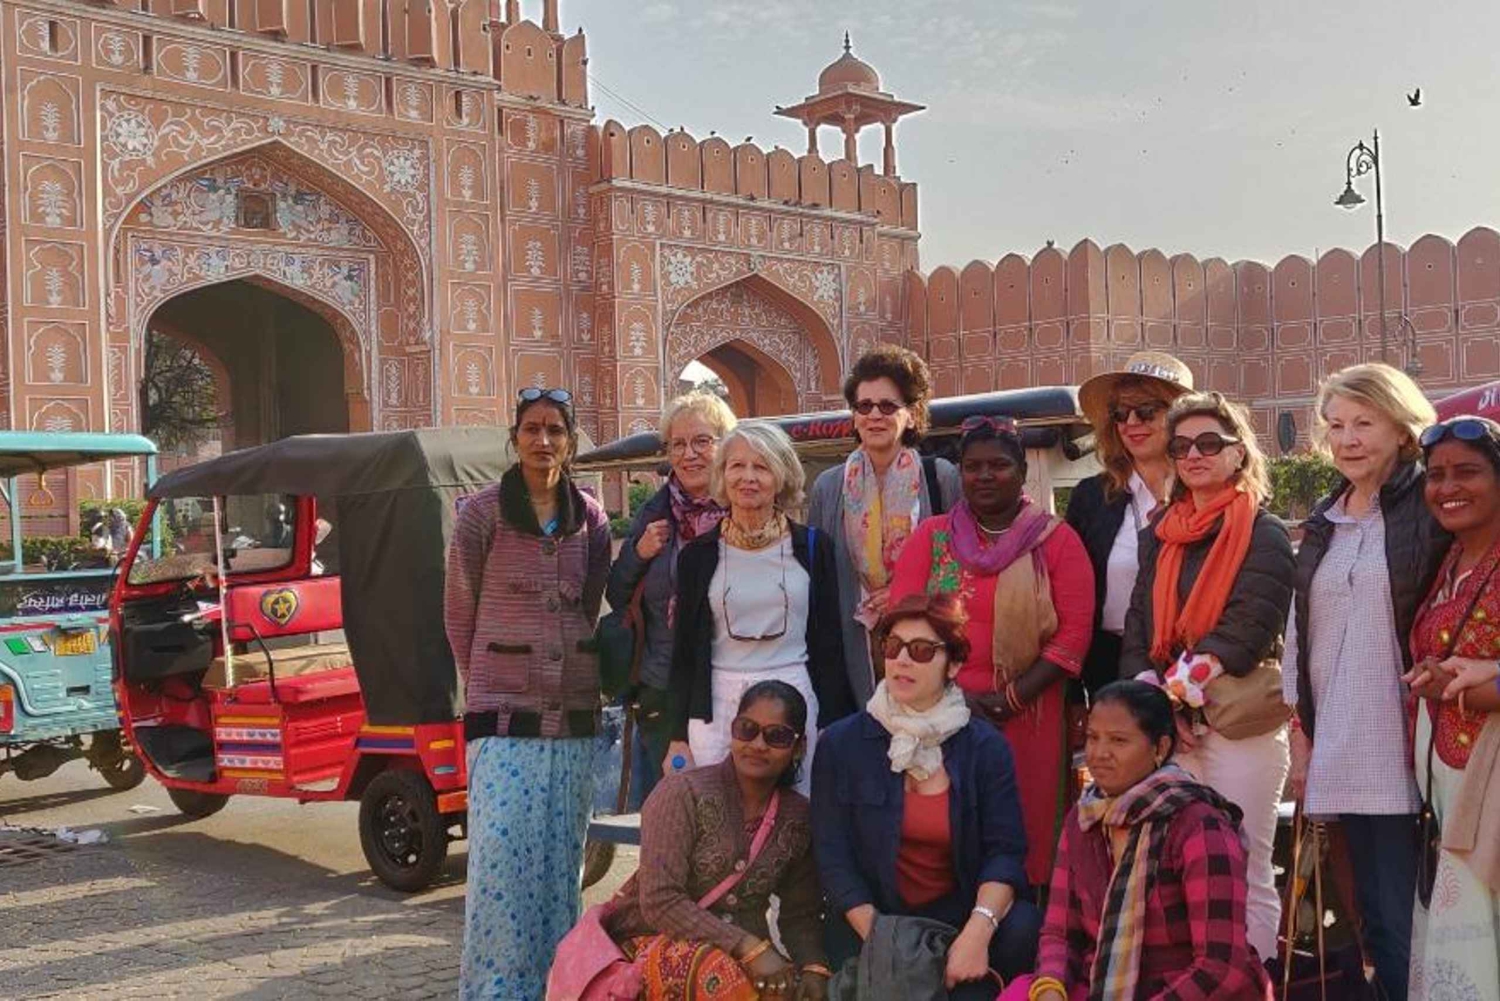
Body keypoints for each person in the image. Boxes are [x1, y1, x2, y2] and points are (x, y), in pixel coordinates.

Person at [1282, 363, 1448, 1001]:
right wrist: (1301, 734)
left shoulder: (1430, 507)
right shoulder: (1326, 517)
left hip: (1408, 740)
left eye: (1364, 423)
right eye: (1335, 426)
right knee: (1371, 917)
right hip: (1340, 742)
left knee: (1411, 916)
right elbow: (1302, 631)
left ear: (1402, 428)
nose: (1347, 439)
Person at [444, 387, 612, 1001]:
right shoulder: (482, 513)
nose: (543, 440)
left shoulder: (589, 518)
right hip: (503, 719)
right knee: (500, 865)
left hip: (573, 718)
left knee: (559, 866)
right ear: (514, 438)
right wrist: (490, 680)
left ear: (570, 443)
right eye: (532, 429)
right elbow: (459, 610)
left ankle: (556, 986)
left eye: (556, 430)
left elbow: (588, 606)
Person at [1119, 390, 1294, 964]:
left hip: (1237, 723)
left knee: (1244, 866)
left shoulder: (1263, 532)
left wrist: (1174, 698)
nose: (1194, 455)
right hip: (1174, 731)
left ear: (1238, 453)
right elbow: (1139, 624)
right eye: (1182, 446)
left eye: (1209, 443)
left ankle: (1249, 985)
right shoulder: (1160, 534)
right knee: (1177, 871)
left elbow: (1247, 628)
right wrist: (1156, 705)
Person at [889, 415, 1095, 888]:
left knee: (1024, 829)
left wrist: (1010, 699)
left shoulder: (1055, 541)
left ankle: (1022, 922)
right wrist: (952, 698)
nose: (984, 476)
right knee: (946, 830)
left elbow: (1074, 636)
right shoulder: (932, 537)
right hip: (936, 716)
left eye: (999, 465)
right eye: (973, 466)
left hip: (1027, 714)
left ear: (1022, 472)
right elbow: (903, 623)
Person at [812, 593, 1040, 996]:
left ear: (953, 665)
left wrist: (976, 933)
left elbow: (1005, 852)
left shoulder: (985, 747)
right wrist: (889, 945)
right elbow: (833, 858)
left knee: (1022, 927)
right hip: (874, 921)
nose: (902, 660)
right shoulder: (841, 744)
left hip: (957, 920)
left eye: (921, 650)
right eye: (893, 646)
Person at [1008, 680, 1272, 1001]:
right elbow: (1060, 932)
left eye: (1118, 740)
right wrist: (1051, 988)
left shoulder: (1200, 826)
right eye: (1092, 737)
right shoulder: (1084, 818)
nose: (1099, 753)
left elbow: (1221, 966)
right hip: (1101, 985)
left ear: (1160, 748)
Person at [605, 681, 830, 1000]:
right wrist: (747, 947)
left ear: (799, 747)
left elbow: (800, 913)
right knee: (718, 977)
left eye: (777, 736)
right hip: (651, 940)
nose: (758, 744)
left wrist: (813, 967)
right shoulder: (682, 794)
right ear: (733, 731)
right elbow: (660, 900)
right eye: (747, 729)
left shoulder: (797, 817)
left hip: (745, 956)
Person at [668, 422, 853, 792]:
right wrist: (676, 738)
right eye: (737, 466)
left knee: (796, 812)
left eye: (762, 467)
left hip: (795, 701)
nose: (748, 478)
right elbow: (684, 653)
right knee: (717, 814)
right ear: (723, 476)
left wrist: (834, 725)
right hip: (716, 709)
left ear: (781, 476)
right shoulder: (697, 556)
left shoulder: (813, 548)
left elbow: (831, 644)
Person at [1403, 415, 1500, 1001]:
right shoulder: (1448, 561)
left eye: (1467, 472)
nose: (1447, 487)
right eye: (1436, 476)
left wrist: (1475, 687)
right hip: (1450, 789)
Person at [808, 344, 960, 704]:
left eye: (888, 406)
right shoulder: (830, 487)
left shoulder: (939, 478)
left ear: (912, 414)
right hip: (854, 642)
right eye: (864, 406)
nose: (874, 415)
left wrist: (905, 592)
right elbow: (822, 579)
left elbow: (955, 567)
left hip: (923, 643)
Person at [607, 391, 736, 804]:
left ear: (725, 444)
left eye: (702, 441)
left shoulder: (747, 508)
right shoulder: (656, 514)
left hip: (733, 681)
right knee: (670, 811)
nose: (689, 454)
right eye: (678, 444)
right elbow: (617, 594)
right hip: (664, 688)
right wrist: (638, 553)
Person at [1068, 352, 1194, 698]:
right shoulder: (1091, 497)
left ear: (1179, 416)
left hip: (1192, 664)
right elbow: (1070, 600)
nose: (1131, 422)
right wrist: (1072, 689)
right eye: (1120, 413)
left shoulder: (1207, 492)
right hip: (1108, 668)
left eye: (1146, 410)